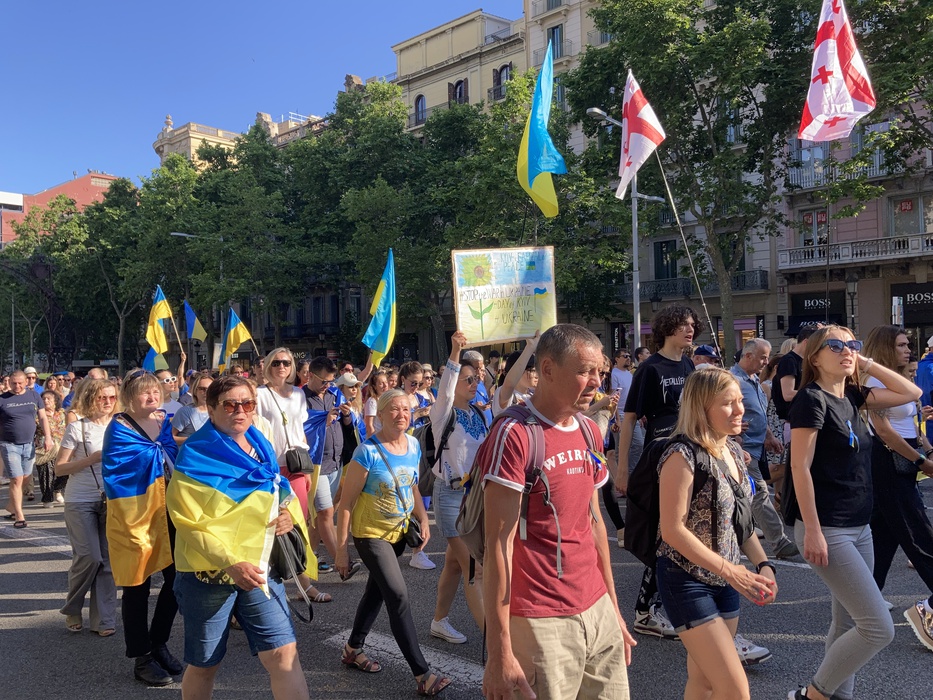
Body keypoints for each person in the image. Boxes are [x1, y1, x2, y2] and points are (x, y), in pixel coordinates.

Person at [479, 324, 635, 700]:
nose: (596, 381)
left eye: (599, 371)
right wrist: (499, 652)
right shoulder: (514, 434)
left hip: (597, 610)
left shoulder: (590, 431)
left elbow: (593, 524)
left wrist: (613, 608)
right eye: (584, 371)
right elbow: (498, 546)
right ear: (547, 369)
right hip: (539, 620)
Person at [787, 325, 922, 700]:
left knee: (848, 621)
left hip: (859, 525)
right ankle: (813, 695)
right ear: (815, 357)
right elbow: (799, 467)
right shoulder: (811, 399)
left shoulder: (852, 395)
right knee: (878, 628)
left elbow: (912, 392)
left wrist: (867, 363)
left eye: (852, 345)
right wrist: (812, 529)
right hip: (827, 527)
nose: (847, 351)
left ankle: (838, 696)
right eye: (835, 346)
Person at [167, 375, 312, 700]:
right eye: (230, 405)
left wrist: (287, 515)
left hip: (260, 569)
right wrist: (230, 563)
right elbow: (187, 521)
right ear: (211, 408)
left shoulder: (260, 444)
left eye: (247, 404)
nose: (240, 411)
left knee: (284, 655)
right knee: (205, 665)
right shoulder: (194, 455)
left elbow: (277, 491)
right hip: (209, 575)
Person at [657, 369, 777, 700]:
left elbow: (740, 522)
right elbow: (672, 530)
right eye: (728, 403)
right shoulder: (680, 455)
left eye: (740, 400)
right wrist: (732, 571)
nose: (740, 410)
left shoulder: (733, 451)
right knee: (735, 689)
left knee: (704, 682)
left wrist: (764, 565)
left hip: (726, 580)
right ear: (701, 407)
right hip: (686, 579)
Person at [334, 389, 451, 697]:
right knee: (397, 595)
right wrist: (341, 550)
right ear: (381, 414)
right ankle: (422, 674)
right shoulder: (367, 453)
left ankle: (352, 649)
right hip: (370, 535)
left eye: (406, 410)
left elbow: (412, 486)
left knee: (376, 593)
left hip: (398, 534)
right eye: (395, 409)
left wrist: (423, 518)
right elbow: (345, 504)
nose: (402, 415)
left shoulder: (412, 444)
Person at [616, 305, 700, 640]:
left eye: (692, 325)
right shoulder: (650, 369)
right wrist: (623, 467)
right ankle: (644, 611)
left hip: (690, 450)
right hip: (661, 455)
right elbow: (629, 419)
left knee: (684, 533)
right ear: (666, 329)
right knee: (667, 534)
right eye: (683, 325)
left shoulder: (689, 365)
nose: (690, 330)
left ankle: (666, 606)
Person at [102, 369, 182, 686]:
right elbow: (118, 473)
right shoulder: (119, 428)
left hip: (169, 512)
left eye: (155, 390)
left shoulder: (163, 421)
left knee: (177, 580)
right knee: (137, 585)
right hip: (134, 515)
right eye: (144, 392)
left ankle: (158, 642)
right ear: (129, 397)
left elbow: (174, 456)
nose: (152, 396)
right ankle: (141, 657)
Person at [861, 326, 933, 653]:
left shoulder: (897, 379)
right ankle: (927, 610)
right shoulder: (875, 382)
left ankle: (864, 601)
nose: (908, 349)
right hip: (888, 461)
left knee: (884, 535)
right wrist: (920, 461)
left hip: (902, 459)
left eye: (908, 344)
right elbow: (885, 431)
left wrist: (926, 449)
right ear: (885, 348)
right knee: (918, 533)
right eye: (901, 345)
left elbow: (911, 424)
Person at [428, 331, 487, 645]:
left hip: (474, 498)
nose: (474, 383)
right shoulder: (443, 411)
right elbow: (448, 384)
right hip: (450, 496)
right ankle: (495, 643)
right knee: (474, 569)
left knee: (453, 563)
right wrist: (455, 350)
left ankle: (439, 621)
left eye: (476, 378)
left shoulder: (478, 412)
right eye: (468, 379)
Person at [55, 378, 118, 637]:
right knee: (89, 557)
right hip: (80, 499)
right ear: (91, 398)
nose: (108, 402)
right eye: (102, 397)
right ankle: (72, 607)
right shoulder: (77, 428)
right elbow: (60, 468)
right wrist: (91, 459)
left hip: (112, 499)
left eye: (112, 397)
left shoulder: (120, 426)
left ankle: (104, 620)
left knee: (108, 562)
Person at [730, 339, 799, 560]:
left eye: (767, 357)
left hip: (756, 448)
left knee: (745, 494)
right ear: (748, 355)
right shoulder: (732, 380)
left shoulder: (753, 380)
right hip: (742, 448)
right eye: (762, 357)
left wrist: (768, 436)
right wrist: (733, 431)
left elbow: (758, 412)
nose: (766, 362)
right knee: (759, 493)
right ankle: (780, 543)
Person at [303, 356, 355, 583]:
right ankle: (342, 562)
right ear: (310, 376)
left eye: (331, 381)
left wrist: (347, 415)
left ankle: (306, 560)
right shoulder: (300, 398)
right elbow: (300, 428)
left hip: (336, 461)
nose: (328, 385)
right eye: (324, 381)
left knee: (320, 516)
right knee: (325, 513)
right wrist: (323, 421)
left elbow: (348, 425)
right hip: (316, 463)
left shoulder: (335, 393)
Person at [1, 370, 52, 528]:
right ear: (9, 382)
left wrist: (48, 437)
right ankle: (19, 515)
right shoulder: (2, 399)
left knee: (26, 477)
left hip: (29, 444)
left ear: (26, 382)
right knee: (16, 478)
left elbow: (42, 417)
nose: (17, 386)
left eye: (20, 383)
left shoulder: (34, 396)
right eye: (14, 383)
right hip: (9, 444)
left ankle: (12, 505)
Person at [492, 334, 538, 417]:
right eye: (533, 370)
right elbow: (509, 384)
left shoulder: (534, 395)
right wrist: (529, 348)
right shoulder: (507, 395)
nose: (537, 375)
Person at [35, 390, 67, 507]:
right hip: (46, 447)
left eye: (49, 398)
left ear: (55, 401)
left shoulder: (62, 413)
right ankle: (47, 499)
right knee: (47, 473)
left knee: (64, 472)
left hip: (62, 446)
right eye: (43, 399)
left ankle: (57, 490)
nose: (46, 401)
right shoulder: (38, 415)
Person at [171, 372, 212, 444]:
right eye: (202, 389)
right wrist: (192, 440)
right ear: (195, 391)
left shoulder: (219, 412)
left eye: (210, 389)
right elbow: (169, 437)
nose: (206, 392)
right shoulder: (185, 412)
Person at [364, 371, 388, 437]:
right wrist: (374, 439)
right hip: (377, 437)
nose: (385, 385)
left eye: (386, 382)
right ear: (374, 386)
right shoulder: (372, 401)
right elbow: (369, 425)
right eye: (381, 383)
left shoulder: (388, 399)